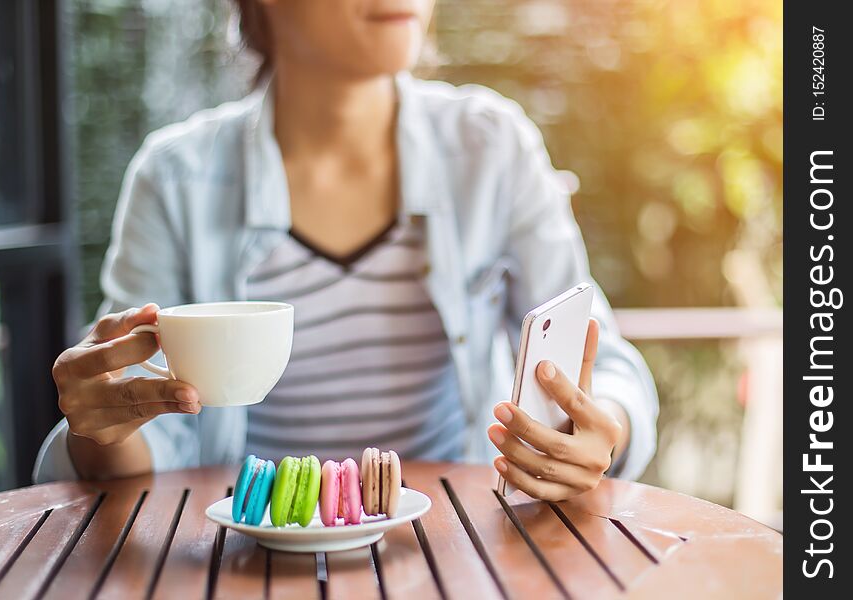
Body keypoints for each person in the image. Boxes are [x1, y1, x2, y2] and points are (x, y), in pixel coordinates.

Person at [35, 0, 658, 501]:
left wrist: (601, 427)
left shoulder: (493, 148)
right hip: (245, 558)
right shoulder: (173, 180)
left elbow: (607, 367)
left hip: (459, 550)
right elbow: (144, 430)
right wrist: (102, 431)